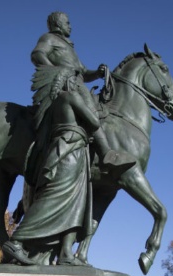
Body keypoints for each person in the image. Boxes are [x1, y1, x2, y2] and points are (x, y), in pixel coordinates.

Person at [3, 73, 98, 266]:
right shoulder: (70, 97)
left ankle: (65, 253)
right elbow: (95, 122)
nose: (80, 87)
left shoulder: (52, 106)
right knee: (54, 198)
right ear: (69, 83)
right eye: (77, 83)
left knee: (76, 203)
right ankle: (17, 241)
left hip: (66, 151)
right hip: (70, 151)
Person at [29, 11, 135, 174]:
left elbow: (84, 72)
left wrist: (98, 73)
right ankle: (105, 153)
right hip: (68, 84)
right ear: (58, 24)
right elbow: (37, 54)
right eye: (67, 23)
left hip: (76, 81)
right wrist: (58, 72)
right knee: (89, 105)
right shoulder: (49, 38)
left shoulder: (68, 46)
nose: (70, 26)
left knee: (98, 107)